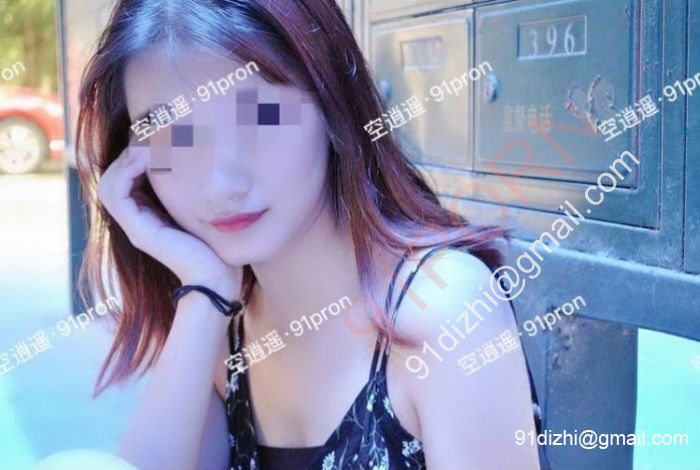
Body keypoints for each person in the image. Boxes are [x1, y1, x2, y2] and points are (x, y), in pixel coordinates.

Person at [75, 1, 541, 469]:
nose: (220, 185)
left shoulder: (445, 310)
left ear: (331, 102)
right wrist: (204, 290)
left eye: (256, 117)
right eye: (173, 137)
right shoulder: (222, 336)